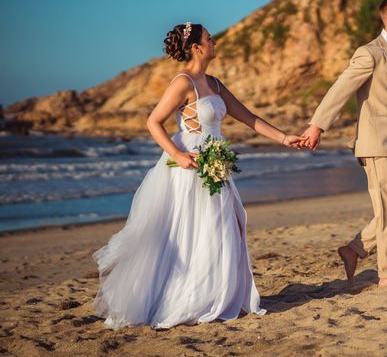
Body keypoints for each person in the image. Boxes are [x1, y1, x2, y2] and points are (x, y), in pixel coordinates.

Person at [93, 22, 304, 329]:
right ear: (196, 47)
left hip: (216, 160)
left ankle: (220, 294)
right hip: (190, 163)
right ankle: (189, 297)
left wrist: (285, 138)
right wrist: (177, 155)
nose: (214, 41)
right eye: (209, 38)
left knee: (225, 226)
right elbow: (154, 122)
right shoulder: (183, 82)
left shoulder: (215, 84)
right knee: (193, 230)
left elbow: (249, 118)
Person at [301, 0, 387, 289]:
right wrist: (317, 126)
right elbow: (341, 88)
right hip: (378, 144)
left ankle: (354, 249)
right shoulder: (370, 53)